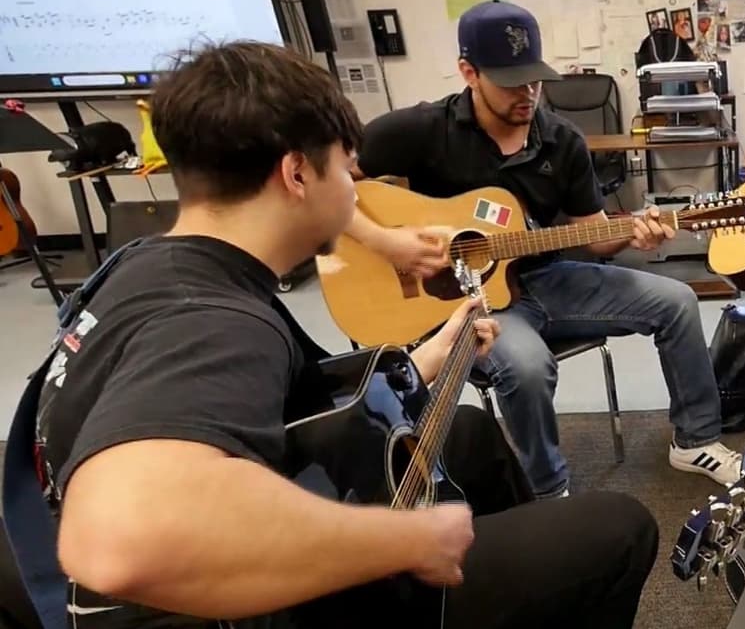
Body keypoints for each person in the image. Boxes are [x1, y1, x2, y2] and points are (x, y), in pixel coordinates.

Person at [34, 41, 658, 628]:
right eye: (347, 166)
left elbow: (298, 414)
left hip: (266, 522)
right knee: (622, 528)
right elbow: (117, 543)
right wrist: (406, 540)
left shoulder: (149, 264)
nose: (358, 182)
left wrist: (431, 355)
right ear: (297, 174)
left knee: (466, 433)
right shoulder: (213, 320)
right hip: (265, 603)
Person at [346, 0, 742, 499]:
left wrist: (638, 229)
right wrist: (387, 241)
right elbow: (328, 181)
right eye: (511, 81)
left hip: (549, 280)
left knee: (677, 301)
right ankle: (550, 491)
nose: (528, 93)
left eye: (534, 79)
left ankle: (695, 439)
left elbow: (594, 234)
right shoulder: (421, 130)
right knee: (528, 366)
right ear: (470, 72)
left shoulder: (561, 140)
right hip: (465, 301)